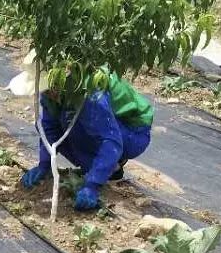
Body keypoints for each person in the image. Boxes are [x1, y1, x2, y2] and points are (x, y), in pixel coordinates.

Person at [9, 63, 153, 211]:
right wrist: (44, 164)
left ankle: (109, 167)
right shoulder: (52, 93)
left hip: (132, 132)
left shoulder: (90, 93)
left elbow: (109, 140)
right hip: (110, 128)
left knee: (73, 122)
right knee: (62, 123)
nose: (44, 93)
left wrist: (93, 185)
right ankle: (97, 165)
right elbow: (49, 127)